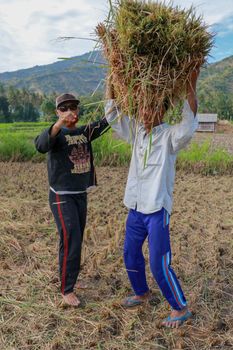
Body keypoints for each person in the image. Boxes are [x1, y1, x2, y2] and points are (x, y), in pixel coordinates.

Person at [105, 68, 200, 327]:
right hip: (135, 207)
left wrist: (191, 82)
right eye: (143, 107)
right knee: (130, 253)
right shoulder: (137, 132)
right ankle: (141, 292)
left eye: (151, 107)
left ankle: (180, 308)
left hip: (157, 209)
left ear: (161, 109)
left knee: (159, 262)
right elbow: (112, 114)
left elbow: (189, 122)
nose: (145, 112)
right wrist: (112, 76)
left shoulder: (170, 136)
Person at [35, 93, 109, 306]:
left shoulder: (84, 132)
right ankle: (67, 290)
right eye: (65, 108)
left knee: (74, 239)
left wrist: (113, 92)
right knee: (71, 239)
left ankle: (69, 280)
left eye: (74, 107)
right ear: (57, 112)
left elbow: (107, 121)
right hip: (61, 196)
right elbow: (40, 145)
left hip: (80, 194)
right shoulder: (55, 134)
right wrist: (58, 124)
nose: (70, 112)